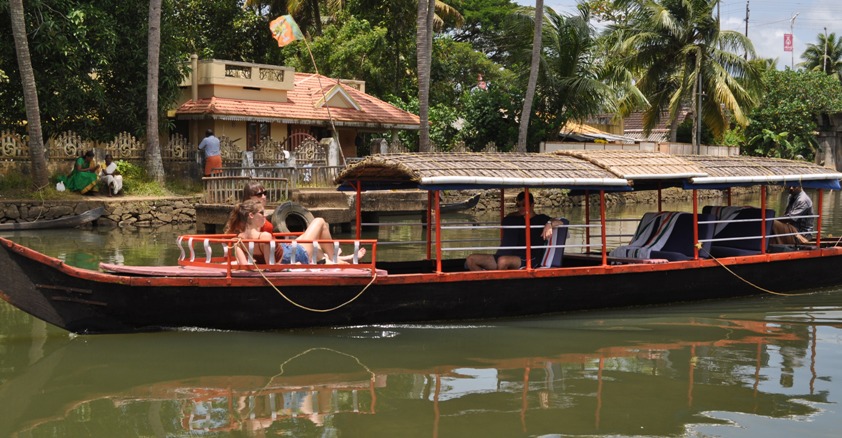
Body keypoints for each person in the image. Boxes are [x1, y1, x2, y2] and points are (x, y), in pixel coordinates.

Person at [231, 199, 364, 266]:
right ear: (251, 216)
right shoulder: (264, 236)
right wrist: (292, 266)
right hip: (293, 255)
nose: (265, 216)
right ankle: (334, 259)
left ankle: (337, 258)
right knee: (319, 221)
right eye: (262, 213)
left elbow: (244, 267)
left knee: (308, 235)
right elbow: (271, 267)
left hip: (287, 249)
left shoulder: (239, 239)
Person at [466, 191, 553, 270]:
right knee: (471, 260)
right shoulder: (516, 219)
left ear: (532, 205)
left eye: (524, 205)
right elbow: (508, 217)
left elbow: (561, 221)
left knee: (503, 261)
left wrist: (549, 224)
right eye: (518, 205)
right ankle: (486, 283)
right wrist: (520, 213)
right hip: (507, 256)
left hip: (528, 258)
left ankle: (498, 285)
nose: (521, 208)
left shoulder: (541, 219)